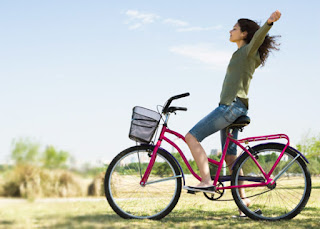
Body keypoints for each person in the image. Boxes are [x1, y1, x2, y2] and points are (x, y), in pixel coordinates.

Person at [184, 10, 281, 212]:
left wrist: (270, 22)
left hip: (231, 107)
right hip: (233, 107)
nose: (230, 30)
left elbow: (258, 38)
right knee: (230, 158)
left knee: (191, 137)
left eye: (234, 28)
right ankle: (243, 203)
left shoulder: (247, 51)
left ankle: (205, 181)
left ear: (244, 34)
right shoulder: (239, 53)